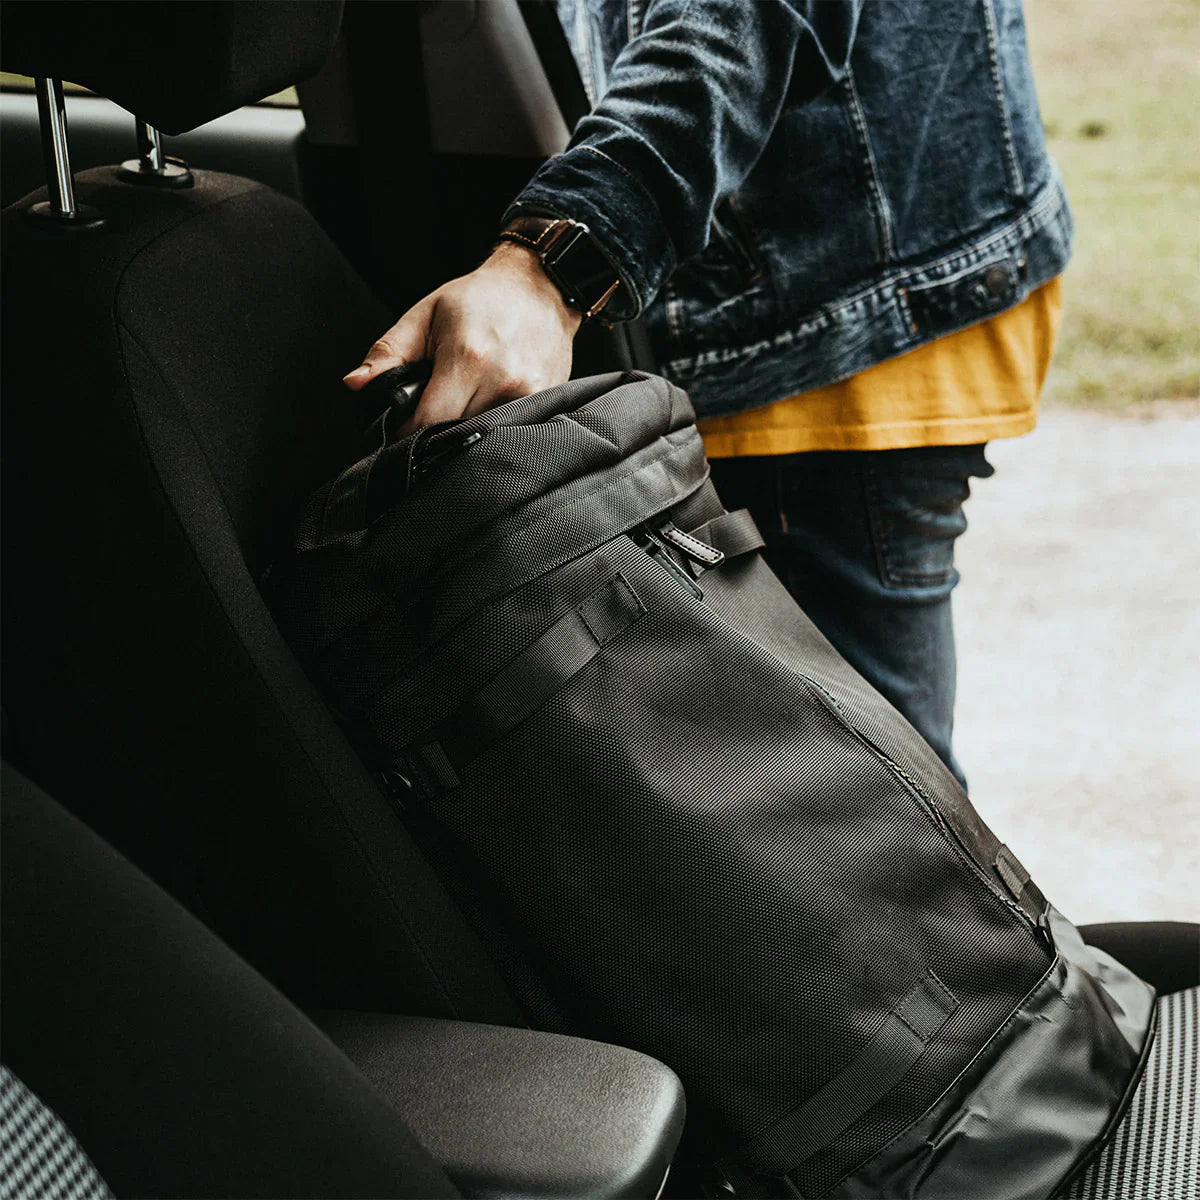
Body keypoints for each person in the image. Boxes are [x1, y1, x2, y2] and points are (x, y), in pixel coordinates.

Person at [342, 0, 1069, 788]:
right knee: (788, 798)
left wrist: (556, 265)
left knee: (863, 809)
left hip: (837, 326)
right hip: (752, 321)